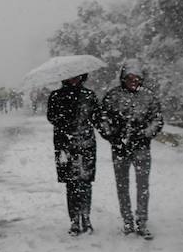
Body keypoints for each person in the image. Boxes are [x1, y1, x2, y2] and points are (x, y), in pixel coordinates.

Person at [98, 63, 163, 237]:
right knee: (122, 186)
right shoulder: (113, 96)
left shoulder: (149, 97)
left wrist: (144, 134)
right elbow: (102, 118)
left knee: (143, 186)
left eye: (137, 79)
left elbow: (157, 120)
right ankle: (127, 220)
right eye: (129, 78)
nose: (133, 82)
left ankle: (142, 221)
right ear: (123, 79)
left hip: (141, 148)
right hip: (120, 148)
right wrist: (112, 136)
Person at [47, 74, 100, 235]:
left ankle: (86, 216)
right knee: (71, 183)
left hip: (86, 144)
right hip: (65, 144)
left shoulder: (89, 95)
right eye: (71, 76)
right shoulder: (56, 96)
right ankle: (74, 219)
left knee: (85, 181)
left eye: (77, 76)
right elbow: (52, 117)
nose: (74, 79)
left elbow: (97, 117)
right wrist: (67, 116)